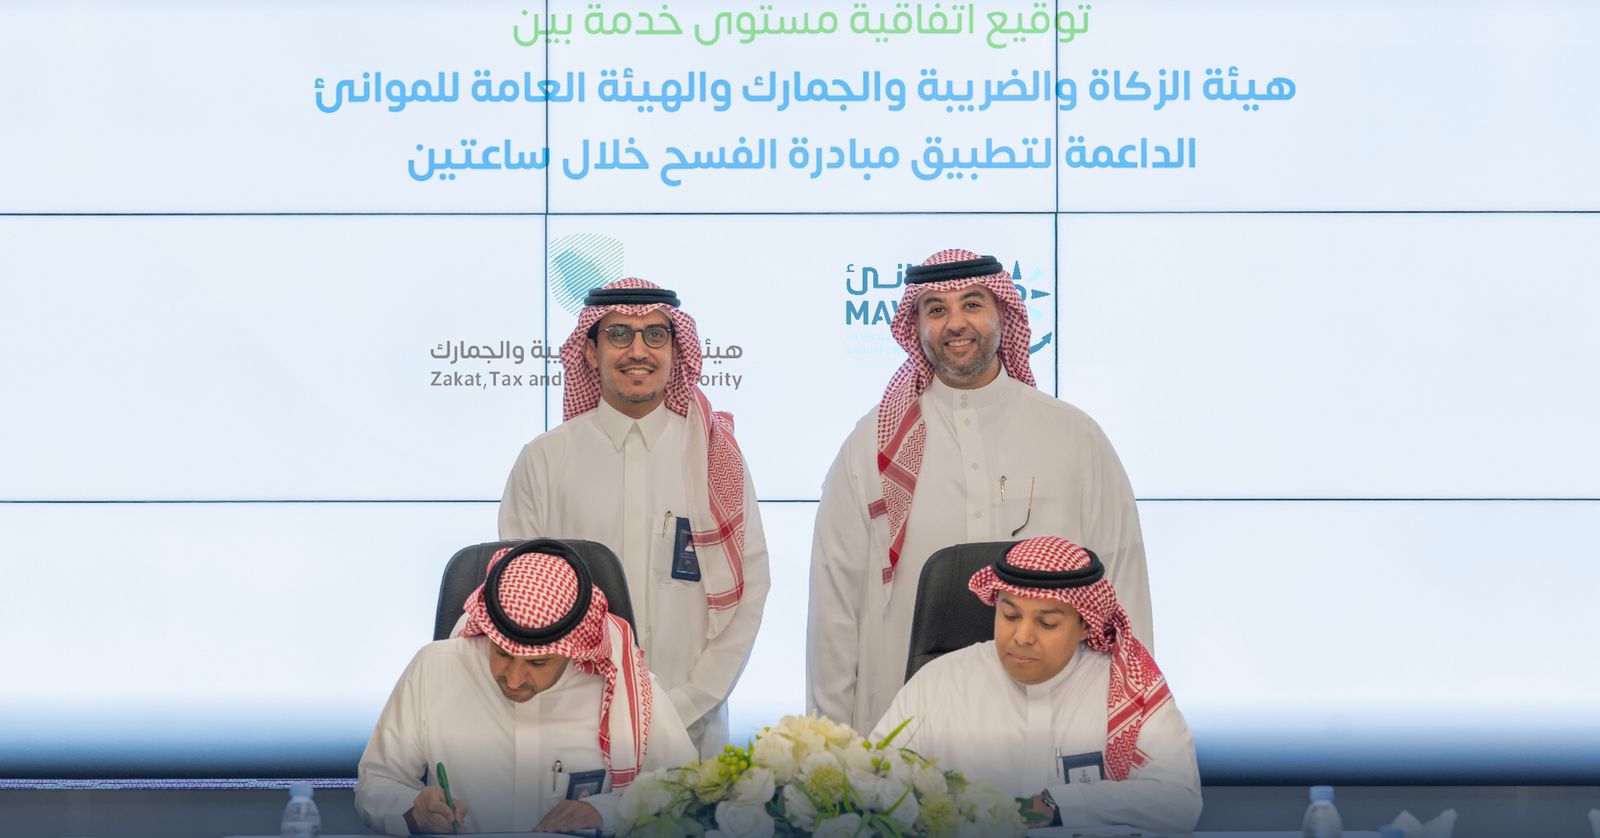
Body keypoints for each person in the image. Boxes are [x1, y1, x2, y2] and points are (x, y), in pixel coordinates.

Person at [808, 247, 1154, 732]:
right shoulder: (871, 445)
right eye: (936, 310)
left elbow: (1123, 587)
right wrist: (828, 743)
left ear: (1003, 314)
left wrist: (1132, 723)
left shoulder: (1074, 437)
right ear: (915, 326)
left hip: (1053, 723)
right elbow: (835, 604)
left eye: (972, 304)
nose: (955, 323)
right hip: (901, 724)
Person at [496, 278, 769, 756]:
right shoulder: (544, 460)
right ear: (590, 350)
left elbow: (748, 595)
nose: (638, 351)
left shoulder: (716, 458)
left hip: (691, 733)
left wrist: (683, 706)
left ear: (676, 350)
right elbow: (520, 603)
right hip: (571, 728)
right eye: (619, 334)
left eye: (655, 335)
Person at [356, 540, 697, 835]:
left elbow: (687, 790)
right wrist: (413, 810)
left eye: (537, 663)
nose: (514, 678)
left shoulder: (624, 688)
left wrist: (605, 812)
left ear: (572, 650)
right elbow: (377, 782)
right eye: (502, 653)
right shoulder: (434, 670)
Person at [870, 536, 1200, 835]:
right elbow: (871, 787)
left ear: (1086, 625)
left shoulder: (1127, 688)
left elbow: (1179, 801)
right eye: (1010, 616)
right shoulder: (939, 683)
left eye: (1047, 623)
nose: (1023, 636)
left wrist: (1054, 806)